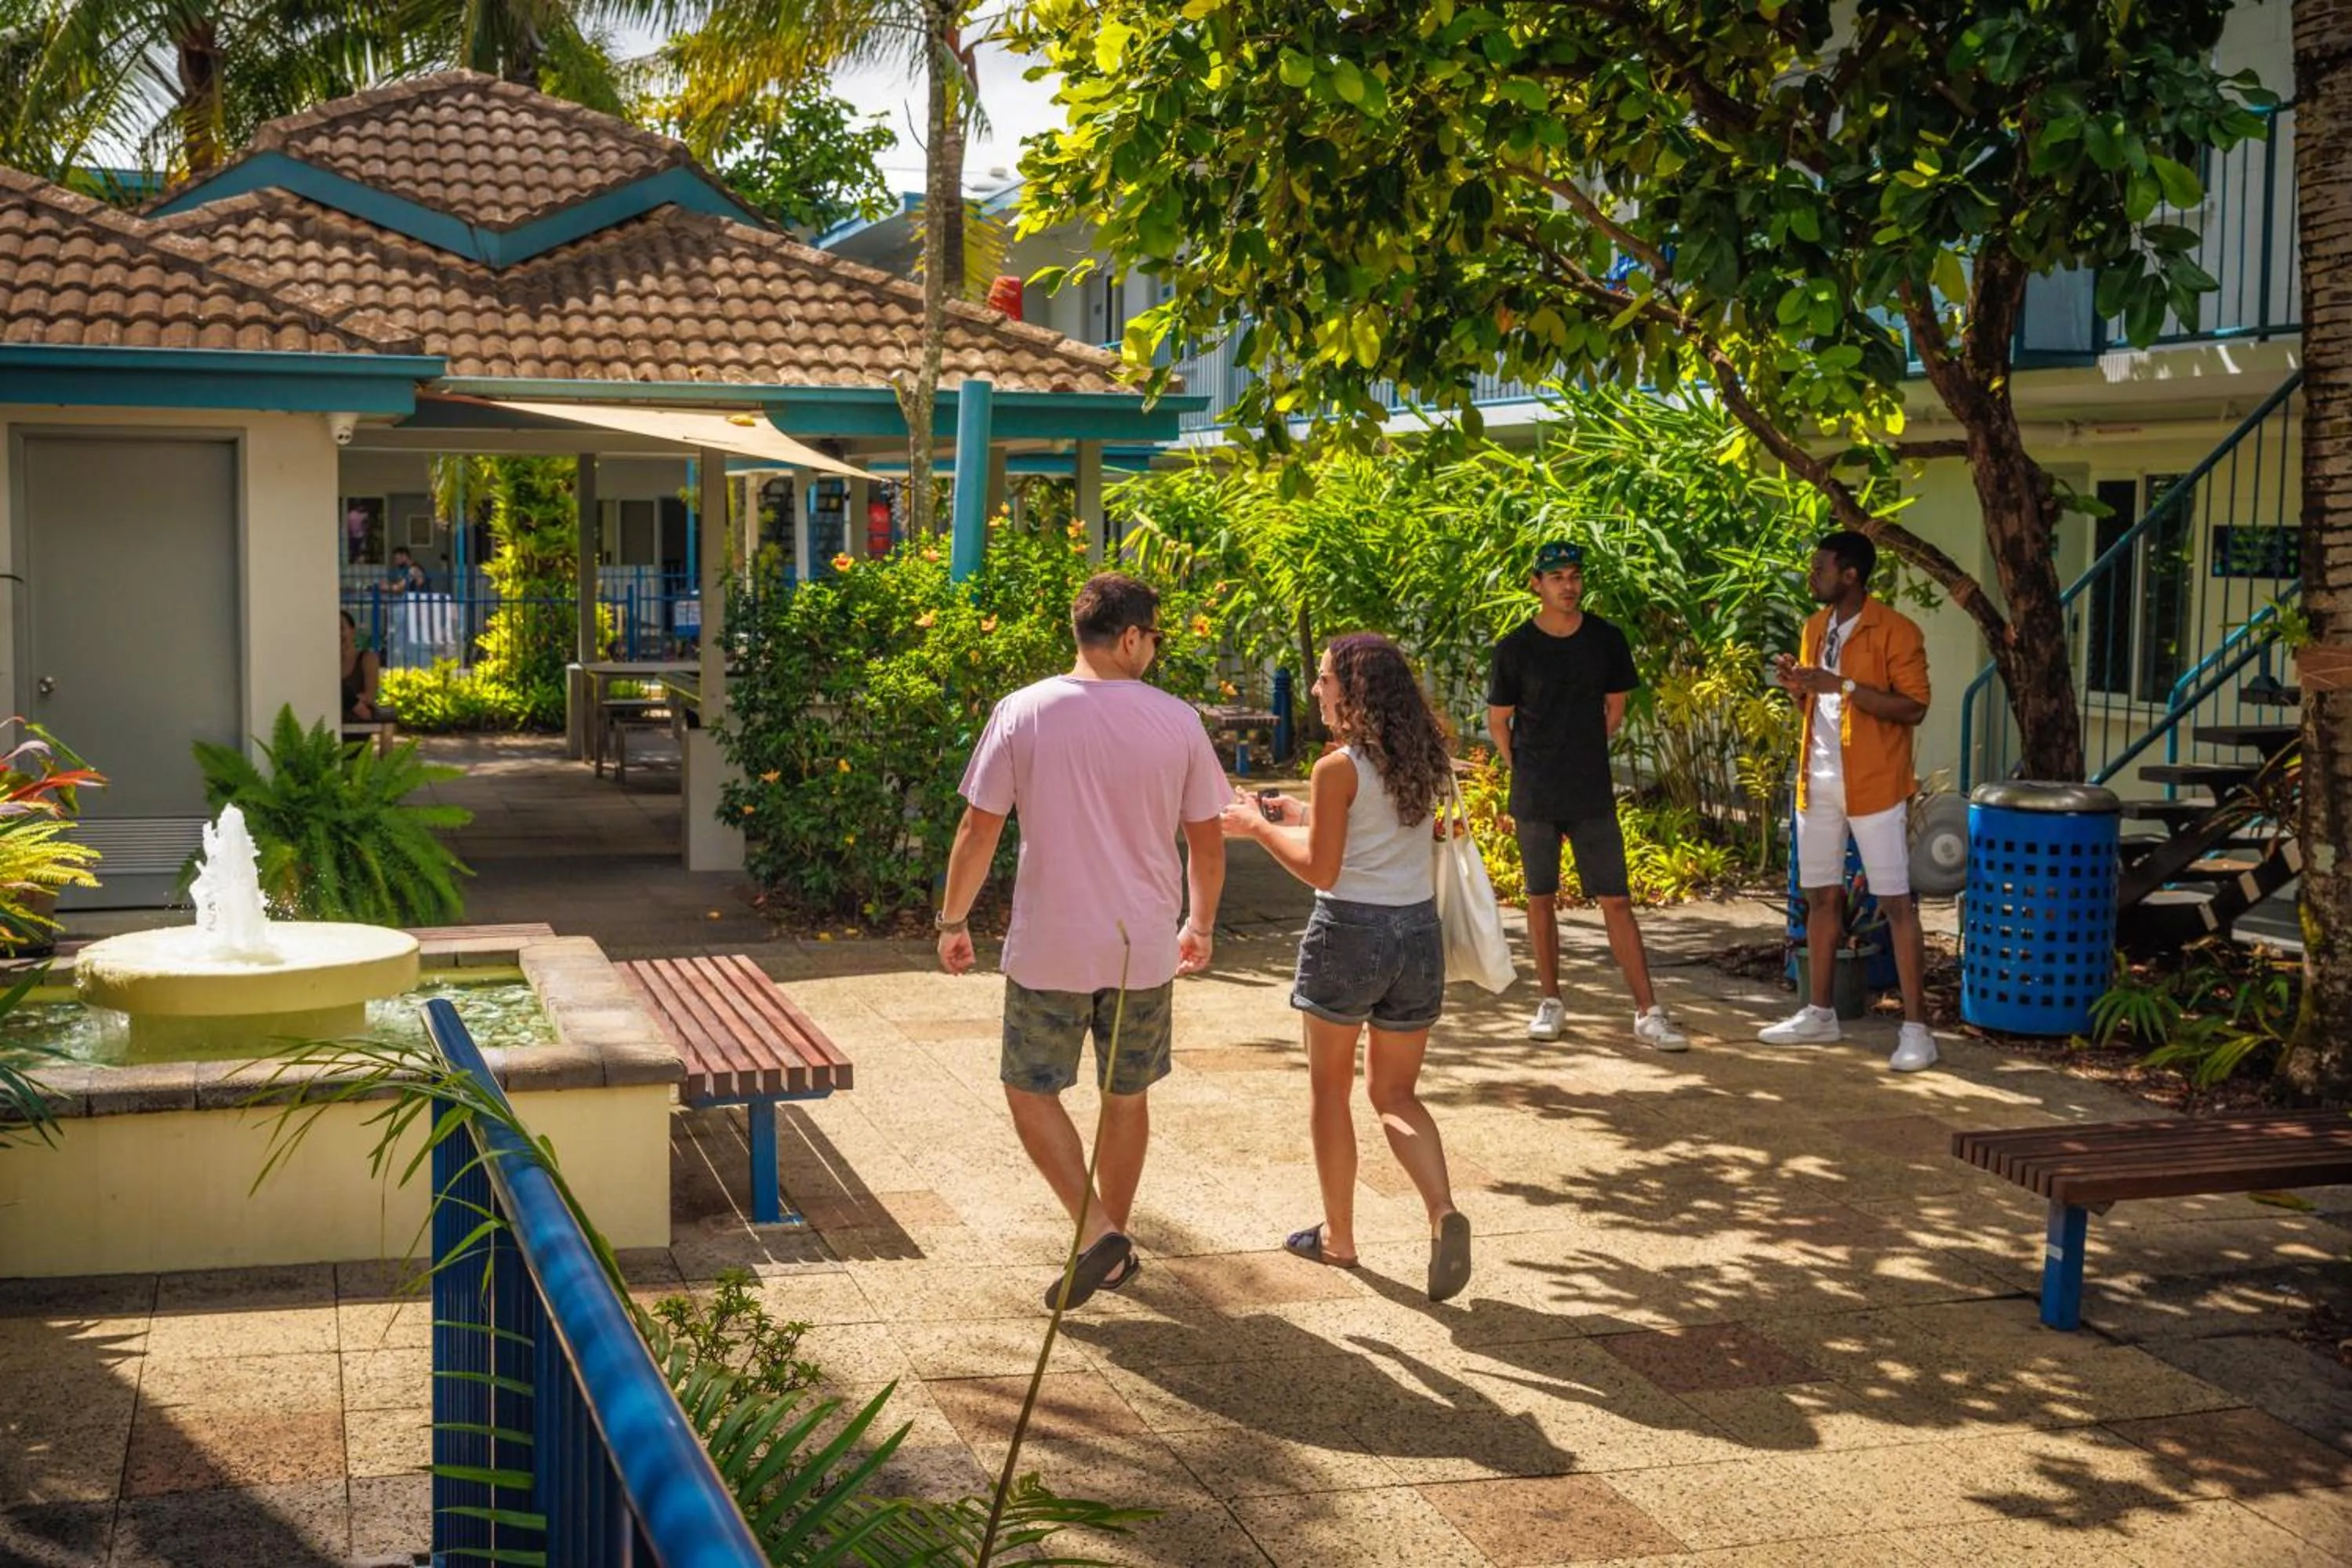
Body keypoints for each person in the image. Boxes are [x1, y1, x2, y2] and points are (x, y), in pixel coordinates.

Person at [937, 573, 1229, 1310]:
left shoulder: (1023, 711)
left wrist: (953, 920)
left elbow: (979, 830)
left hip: (1050, 945)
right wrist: (1200, 924)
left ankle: (1100, 1235)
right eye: (1156, 637)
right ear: (1130, 637)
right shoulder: (1178, 720)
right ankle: (1112, 1237)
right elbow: (1207, 842)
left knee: (1029, 1089)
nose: (1156, 649)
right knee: (1125, 1098)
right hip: (1144, 946)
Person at [1221, 634, 1474, 1304]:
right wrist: (1298, 816)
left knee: (1329, 1093)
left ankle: (1339, 1238)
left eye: (1326, 677)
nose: (1316, 688)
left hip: (1350, 937)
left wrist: (1257, 828)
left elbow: (1322, 869)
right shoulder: (1425, 761)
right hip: (1417, 934)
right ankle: (1443, 1211)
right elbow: (1376, 835)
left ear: (1354, 690)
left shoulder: (1339, 768)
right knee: (1396, 1095)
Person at [1486, 542, 1690, 1051]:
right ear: (1536, 583)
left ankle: (1648, 1011)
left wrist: (1580, 757)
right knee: (1539, 899)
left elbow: (1614, 710)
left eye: (1574, 575)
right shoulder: (1514, 648)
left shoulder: (1606, 639)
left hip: (1591, 790)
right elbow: (1499, 722)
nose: (1568, 585)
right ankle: (1550, 1002)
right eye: (1556, 576)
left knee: (1617, 900)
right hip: (1536, 793)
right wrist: (1528, 769)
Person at [1760, 530, 1937, 1072]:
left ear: (1851, 574)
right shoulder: (1816, 627)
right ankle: (1819, 1013)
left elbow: (1914, 708)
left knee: (1896, 904)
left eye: (1820, 568)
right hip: (1818, 781)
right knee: (1819, 897)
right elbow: (1823, 710)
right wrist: (1802, 689)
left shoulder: (1897, 631)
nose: (1812, 576)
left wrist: (1845, 686)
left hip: (1876, 782)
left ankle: (1916, 1030)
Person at [339, 611, 383, 722]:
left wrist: (349, 698)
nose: (338, 633)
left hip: (359, 718)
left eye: (341, 628)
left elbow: (370, 697)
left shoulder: (367, 658)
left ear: (352, 631)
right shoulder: (324, 662)